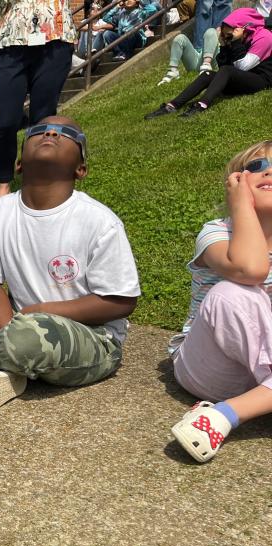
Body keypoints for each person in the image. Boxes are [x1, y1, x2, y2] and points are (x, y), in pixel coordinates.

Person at [0, 117, 141, 413]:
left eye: (67, 133)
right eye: (37, 131)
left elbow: (120, 300)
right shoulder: (2, 211)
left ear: (81, 169)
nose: (51, 132)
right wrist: (9, 331)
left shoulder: (98, 221)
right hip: (18, 324)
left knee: (30, 338)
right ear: (19, 163)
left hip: (93, 337)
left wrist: (42, 312)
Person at [168, 141, 272, 462]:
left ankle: (221, 415)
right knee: (233, 294)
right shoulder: (216, 233)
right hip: (209, 366)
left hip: (259, 378)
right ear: (235, 184)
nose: (268, 170)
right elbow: (250, 269)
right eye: (256, 167)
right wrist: (240, 207)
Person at [0, 0, 77, 202]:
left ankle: (36, 179)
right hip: (12, 43)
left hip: (56, 38)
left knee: (42, 119)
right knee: (6, 119)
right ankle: (3, 182)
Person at [145, 8, 272, 117]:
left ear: (244, 28)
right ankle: (171, 106)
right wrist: (224, 45)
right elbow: (225, 65)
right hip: (241, 78)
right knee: (208, 75)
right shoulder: (236, 38)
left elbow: (242, 67)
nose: (228, 37)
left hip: (261, 80)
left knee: (227, 70)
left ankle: (201, 105)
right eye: (226, 35)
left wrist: (235, 42)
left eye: (230, 35)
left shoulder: (265, 37)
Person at [75, 0, 161, 61]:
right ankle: (120, 53)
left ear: (136, 3)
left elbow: (153, 10)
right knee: (107, 34)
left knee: (132, 32)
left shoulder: (140, 12)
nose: (128, 1)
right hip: (123, 39)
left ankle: (127, 54)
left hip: (136, 38)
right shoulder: (121, 14)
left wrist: (141, 1)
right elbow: (106, 18)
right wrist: (116, 7)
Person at [158, 19, 220, 85]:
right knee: (180, 38)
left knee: (211, 31)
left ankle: (206, 65)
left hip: (214, 61)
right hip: (197, 60)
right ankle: (173, 71)